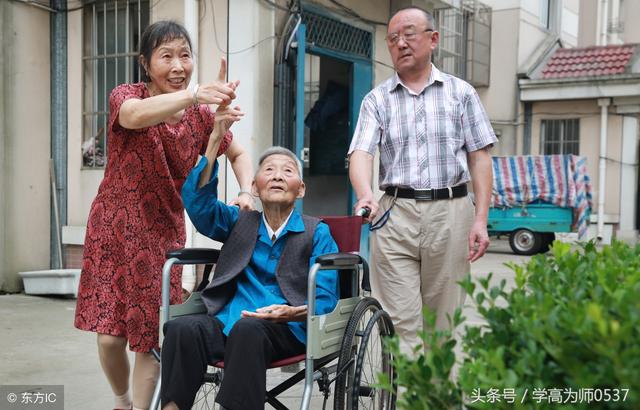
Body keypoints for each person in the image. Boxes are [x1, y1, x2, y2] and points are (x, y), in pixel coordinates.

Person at [74, 20, 250, 410]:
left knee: (147, 340)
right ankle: (122, 398)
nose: (178, 66)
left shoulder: (203, 117)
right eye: (166, 56)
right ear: (145, 63)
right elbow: (135, 116)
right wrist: (193, 95)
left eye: (184, 55)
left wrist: (245, 191)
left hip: (161, 235)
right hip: (111, 230)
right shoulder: (127, 95)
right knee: (108, 337)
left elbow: (237, 152)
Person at [348, 6, 497, 355]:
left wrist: (480, 220)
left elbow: (480, 158)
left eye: (409, 34)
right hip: (395, 212)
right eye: (393, 38)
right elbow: (361, 154)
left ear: (433, 39)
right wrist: (366, 194)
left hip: (451, 212)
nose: (400, 43)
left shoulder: (461, 93)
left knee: (443, 323)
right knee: (399, 323)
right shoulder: (377, 100)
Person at [159, 145, 339, 410]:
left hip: (288, 330)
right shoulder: (238, 221)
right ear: (254, 187)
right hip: (229, 321)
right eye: (269, 170)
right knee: (181, 329)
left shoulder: (317, 233)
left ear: (300, 189)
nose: (277, 176)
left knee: (247, 330)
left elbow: (325, 298)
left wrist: (293, 313)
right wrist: (215, 140)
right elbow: (199, 206)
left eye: (287, 171)